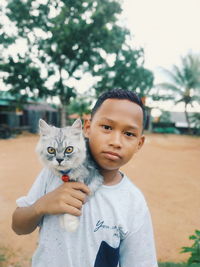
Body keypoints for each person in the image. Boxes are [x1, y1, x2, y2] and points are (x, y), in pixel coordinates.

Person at [12, 89, 158, 267]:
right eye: (107, 127)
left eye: (129, 134)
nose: (115, 142)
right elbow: (18, 226)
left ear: (139, 143)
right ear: (87, 129)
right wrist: (40, 206)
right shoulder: (52, 174)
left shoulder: (133, 202)